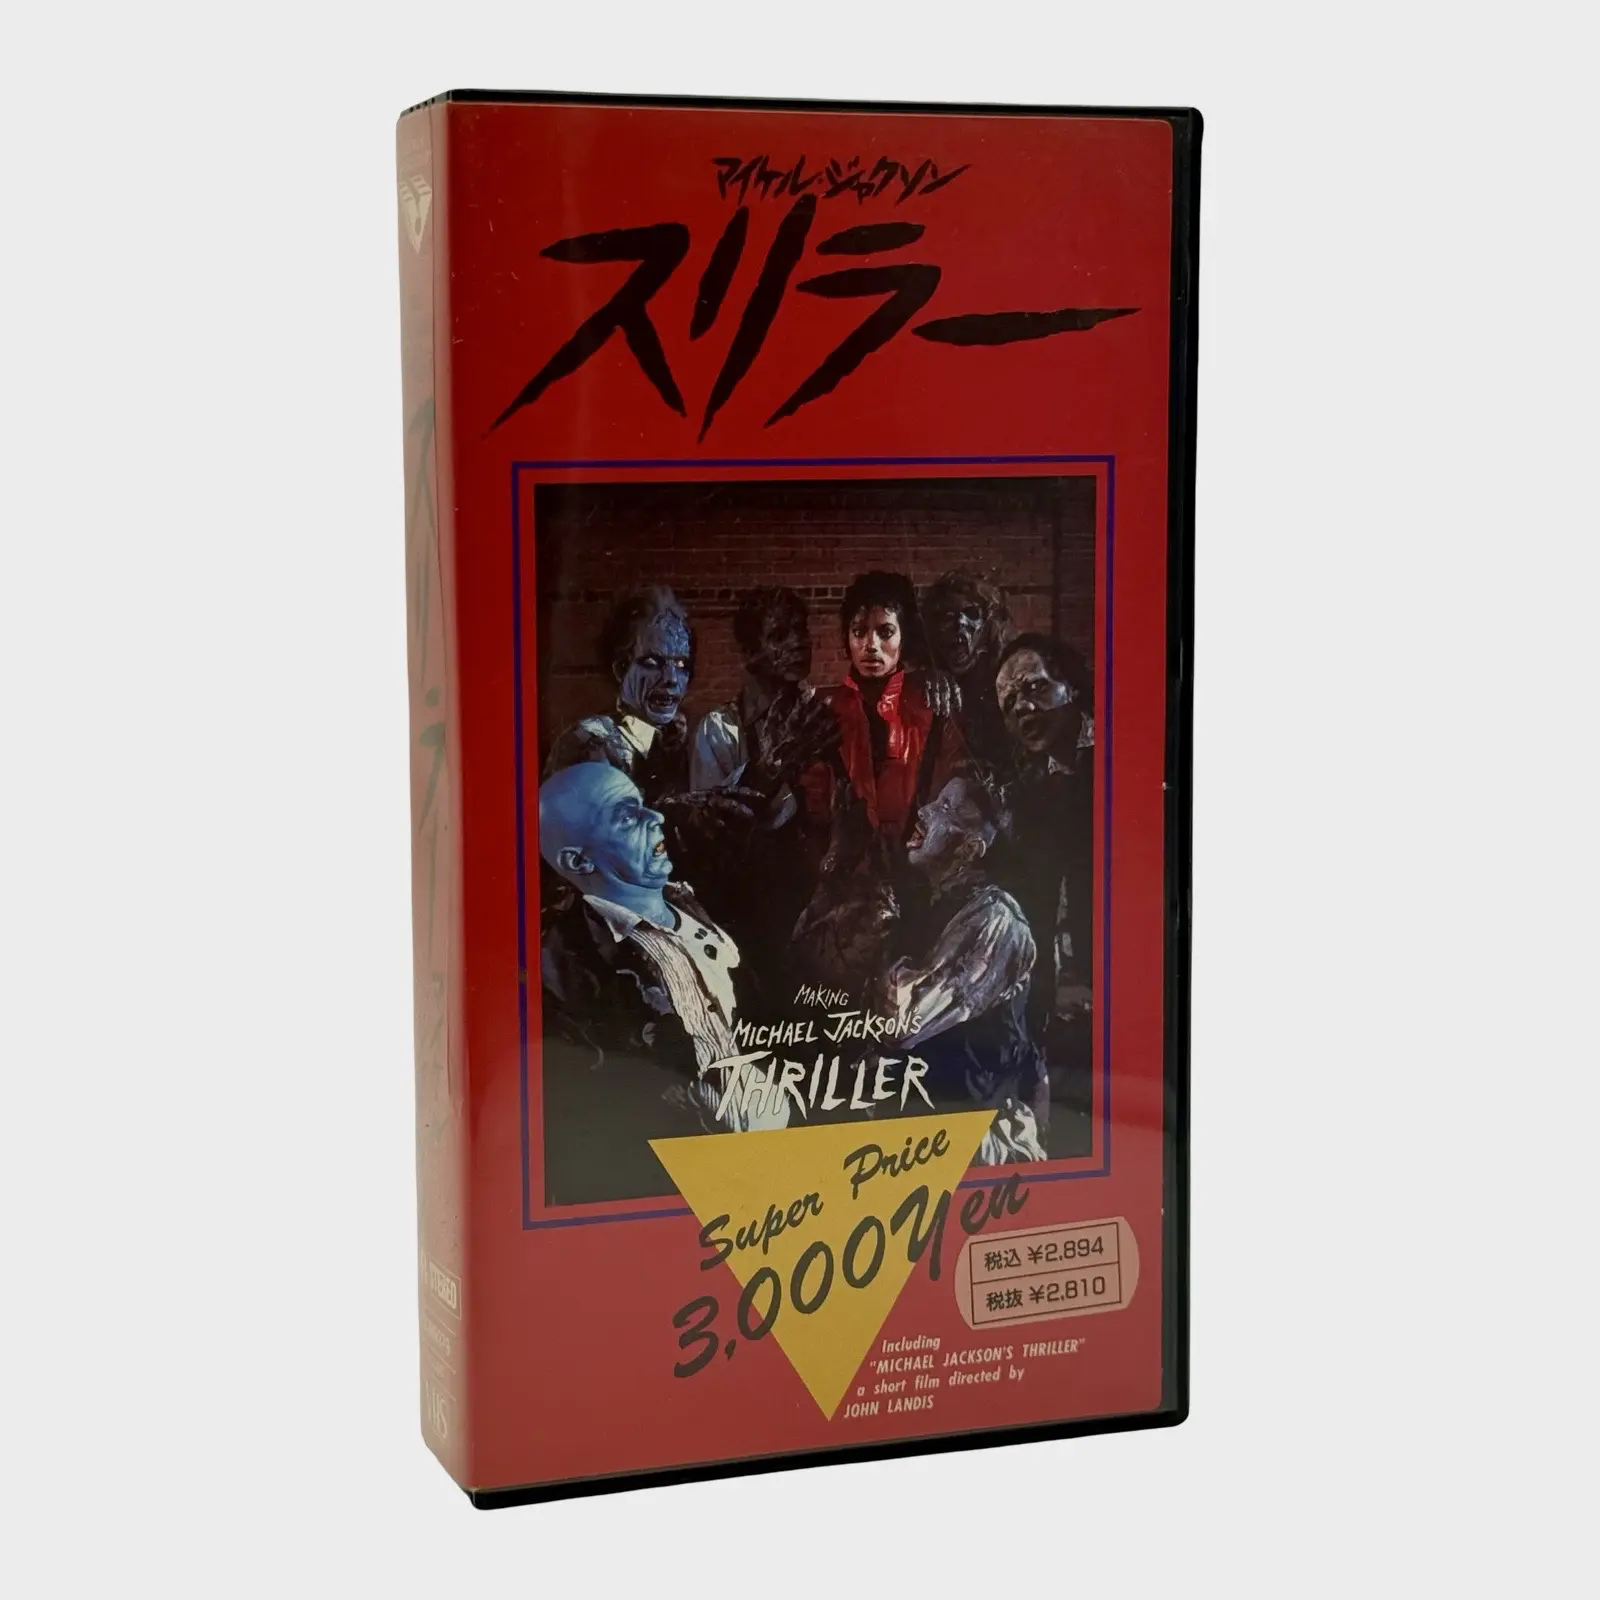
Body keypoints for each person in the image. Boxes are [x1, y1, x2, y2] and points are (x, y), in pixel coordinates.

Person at [537, 763, 786, 1204]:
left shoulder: (702, 896)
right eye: (626, 816)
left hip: (784, 1159)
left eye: (643, 804)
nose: (656, 817)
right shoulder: (567, 964)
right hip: (684, 1189)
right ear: (578, 861)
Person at [877, 774, 1046, 1165]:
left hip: (973, 1147)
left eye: (945, 808)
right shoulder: (932, 907)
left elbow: (902, 1022)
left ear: (971, 848)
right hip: (921, 1137)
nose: (923, 812)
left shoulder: (995, 921)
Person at [805, 570, 968, 857]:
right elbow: (812, 807)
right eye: (859, 632)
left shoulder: (933, 702)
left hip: (920, 862)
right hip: (845, 864)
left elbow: (952, 792)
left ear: (904, 637)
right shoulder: (822, 708)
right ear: (847, 638)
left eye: (885, 632)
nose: (871, 645)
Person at [994, 632, 1096, 1053]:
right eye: (1009, 703)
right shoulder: (1034, 781)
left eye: (1036, 687)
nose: (1022, 707)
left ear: (1071, 686)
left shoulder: (1123, 750)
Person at [922, 570, 1015, 779]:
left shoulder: (1006, 680)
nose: (960, 623)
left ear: (988, 625)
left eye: (971, 614)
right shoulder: (928, 682)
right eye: (947, 616)